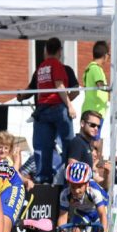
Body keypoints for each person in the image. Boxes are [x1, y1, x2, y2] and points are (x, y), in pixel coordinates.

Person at [27, 37, 76, 184]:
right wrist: (69, 105)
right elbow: (59, 86)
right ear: (60, 51)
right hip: (57, 108)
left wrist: (22, 95)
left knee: (43, 147)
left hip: (42, 109)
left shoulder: (41, 67)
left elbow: (35, 88)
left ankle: (43, 178)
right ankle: (70, 177)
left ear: (45, 50)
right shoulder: (57, 65)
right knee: (68, 144)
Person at [81, 40, 117, 122]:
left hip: (91, 110)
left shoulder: (89, 68)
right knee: (93, 134)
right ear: (105, 55)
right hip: (94, 112)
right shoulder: (96, 68)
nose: (109, 57)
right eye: (109, 54)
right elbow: (102, 86)